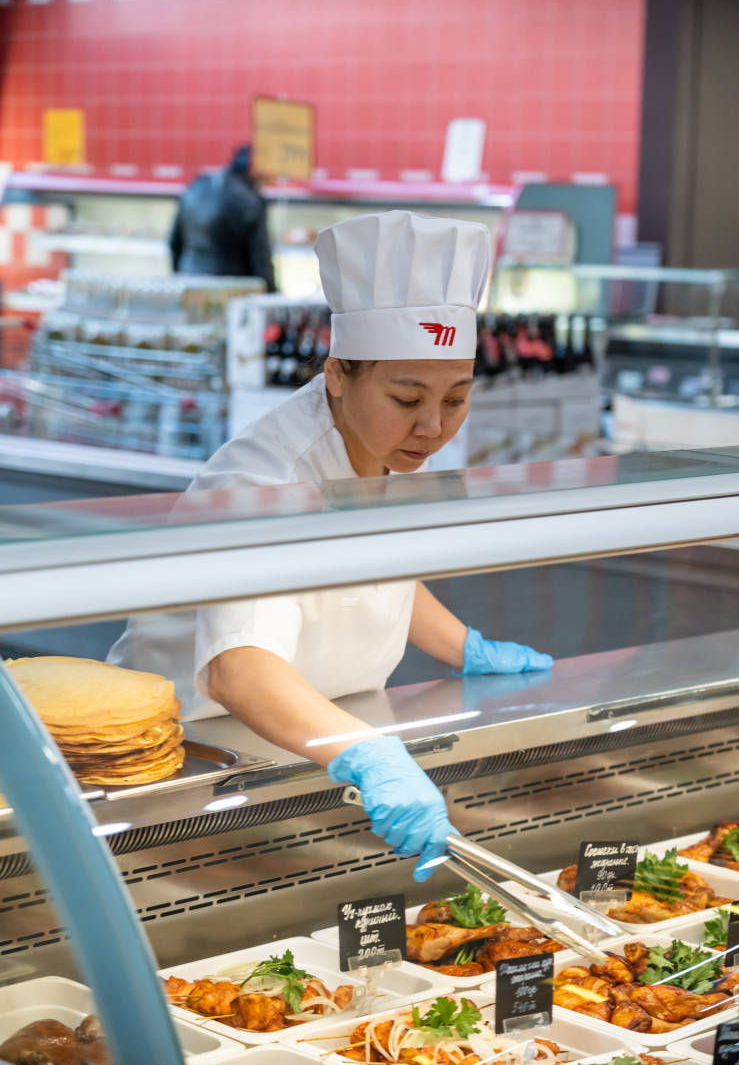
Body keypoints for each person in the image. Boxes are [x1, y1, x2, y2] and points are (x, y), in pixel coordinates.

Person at [109, 210, 552, 879]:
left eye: (456, 399)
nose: (433, 427)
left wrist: (464, 646)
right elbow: (238, 670)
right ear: (338, 373)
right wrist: (370, 756)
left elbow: (375, 571)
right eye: (407, 398)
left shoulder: (393, 443)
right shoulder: (264, 481)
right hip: (194, 765)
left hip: (316, 737)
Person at [169, 144, 277, 291]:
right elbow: (260, 261)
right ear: (255, 168)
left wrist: (179, 277)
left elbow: (174, 243)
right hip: (231, 289)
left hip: (188, 282)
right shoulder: (250, 201)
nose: (272, 180)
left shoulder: (195, 187)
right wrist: (271, 293)